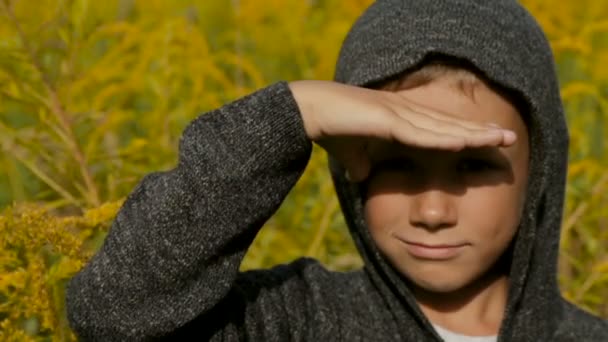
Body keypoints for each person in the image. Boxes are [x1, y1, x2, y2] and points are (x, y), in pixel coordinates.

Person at [66, 0, 608, 341]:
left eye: (472, 165)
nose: (434, 211)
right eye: (398, 163)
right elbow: (114, 313)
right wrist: (293, 113)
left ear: (540, 166)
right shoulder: (295, 320)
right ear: (355, 166)